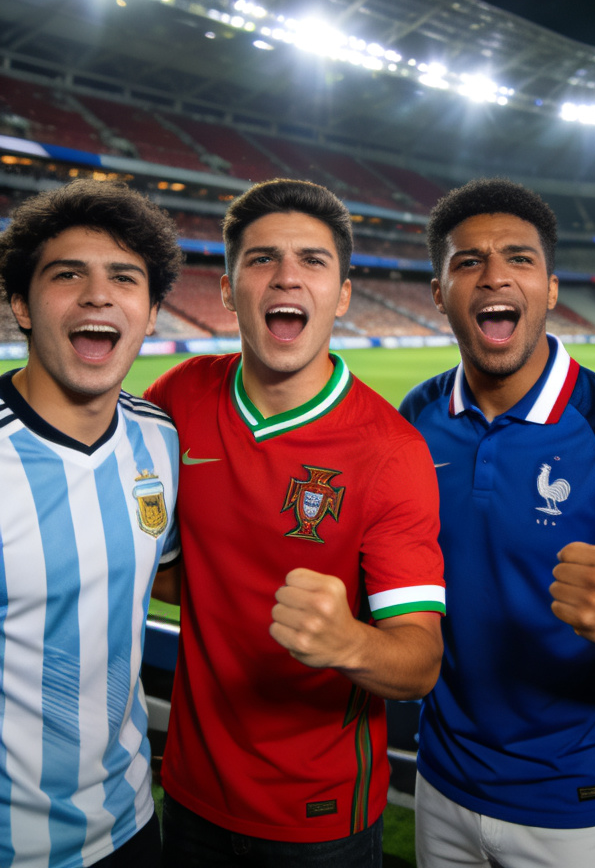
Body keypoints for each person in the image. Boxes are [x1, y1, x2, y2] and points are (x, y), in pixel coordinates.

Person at [400, 178, 595, 868]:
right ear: (438, 292)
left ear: (549, 289)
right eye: (467, 263)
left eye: (519, 259)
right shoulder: (415, 418)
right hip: (441, 783)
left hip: (571, 806)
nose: (493, 277)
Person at [145, 178, 445, 867]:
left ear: (342, 294)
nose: (287, 277)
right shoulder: (179, 397)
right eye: (261, 260)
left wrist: (350, 643)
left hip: (319, 817)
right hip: (187, 790)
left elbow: (419, 662)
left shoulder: (391, 451)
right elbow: (161, 563)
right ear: (226, 288)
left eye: (313, 260)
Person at [0, 180, 183, 866]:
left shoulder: (159, 439)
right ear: (20, 303)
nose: (98, 295)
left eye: (124, 278)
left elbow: (162, 578)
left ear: (153, 310)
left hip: (133, 822)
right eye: (67, 273)